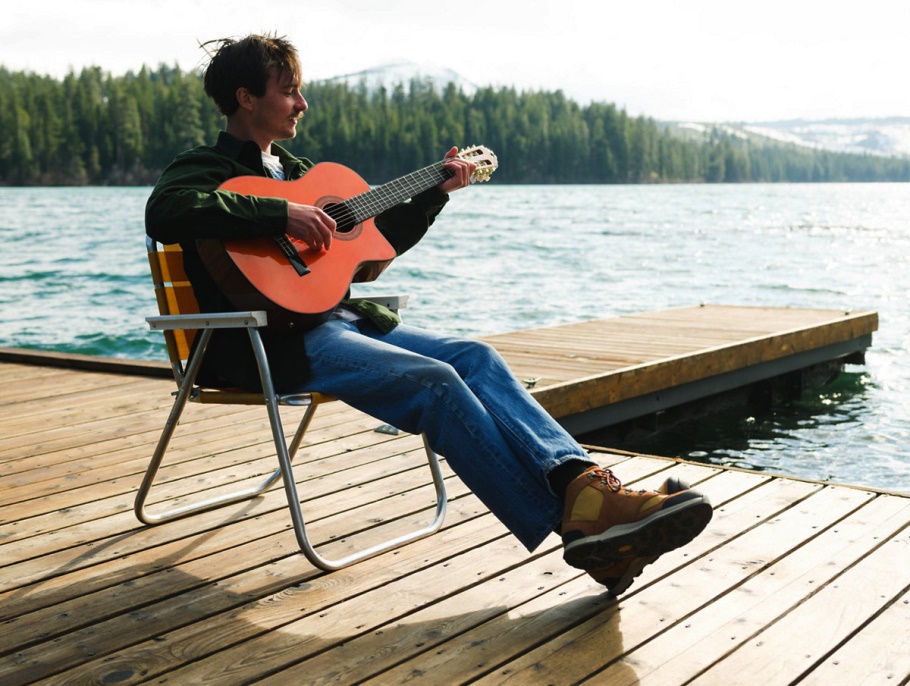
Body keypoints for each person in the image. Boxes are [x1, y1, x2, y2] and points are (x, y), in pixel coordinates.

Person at [145, 33, 712, 596]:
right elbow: (164, 210)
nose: (302, 104)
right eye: (290, 92)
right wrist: (278, 214)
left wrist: (434, 194)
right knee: (436, 382)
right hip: (263, 342)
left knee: (475, 356)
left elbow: (373, 243)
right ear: (247, 98)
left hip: (335, 321)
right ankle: (580, 524)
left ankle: (583, 487)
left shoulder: (301, 170)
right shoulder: (205, 166)